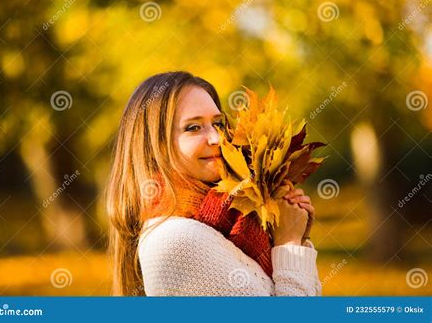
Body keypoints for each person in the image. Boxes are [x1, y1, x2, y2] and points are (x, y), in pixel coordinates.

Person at [106, 71, 321, 296]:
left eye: (218, 124)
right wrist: (289, 243)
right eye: (193, 127)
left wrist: (295, 238)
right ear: (154, 146)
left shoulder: (227, 223)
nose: (217, 139)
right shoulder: (175, 240)